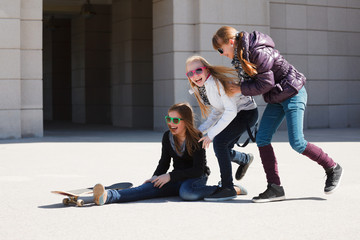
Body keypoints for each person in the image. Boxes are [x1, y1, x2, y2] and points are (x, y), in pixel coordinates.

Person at [212, 26, 343, 203]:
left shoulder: (257, 52)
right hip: (277, 97)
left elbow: (266, 83)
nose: (221, 53)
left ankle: (332, 167)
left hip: (293, 93)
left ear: (231, 42)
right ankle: (275, 187)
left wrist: (241, 88)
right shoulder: (241, 56)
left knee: (297, 142)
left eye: (221, 49)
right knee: (262, 138)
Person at [93, 102, 247, 205]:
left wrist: (170, 177)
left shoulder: (196, 138)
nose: (171, 123)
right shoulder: (167, 137)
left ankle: (228, 188)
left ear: (185, 121)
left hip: (196, 178)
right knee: (146, 189)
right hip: (176, 177)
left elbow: (198, 170)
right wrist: (156, 176)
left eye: (175, 120)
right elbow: (164, 162)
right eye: (168, 119)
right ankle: (108, 196)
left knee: (187, 193)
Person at [185, 56, 258, 201]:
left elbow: (230, 111)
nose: (195, 75)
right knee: (222, 148)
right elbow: (218, 110)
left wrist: (211, 135)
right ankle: (244, 159)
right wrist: (201, 129)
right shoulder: (207, 85)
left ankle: (227, 188)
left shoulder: (218, 83)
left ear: (207, 70)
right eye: (190, 73)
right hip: (236, 114)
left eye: (198, 70)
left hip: (246, 113)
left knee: (219, 142)